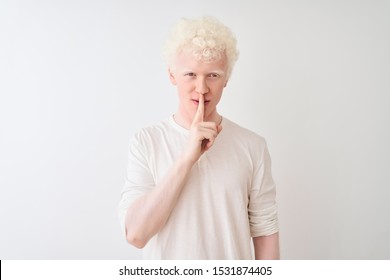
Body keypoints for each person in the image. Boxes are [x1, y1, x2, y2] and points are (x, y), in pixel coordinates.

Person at [118, 16, 279, 260]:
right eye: (191, 74)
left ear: (226, 79)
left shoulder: (252, 146)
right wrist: (186, 158)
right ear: (172, 75)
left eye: (213, 75)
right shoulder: (146, 141)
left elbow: (265, 231)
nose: (202, 88)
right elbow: (136, 234)